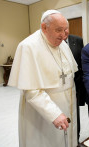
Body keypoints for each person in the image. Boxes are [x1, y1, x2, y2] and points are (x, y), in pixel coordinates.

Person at [8, 10, 78, 147]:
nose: (64, 35)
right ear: (44, 27)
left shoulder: (62, 44)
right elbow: (31, 91)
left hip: (68, 105)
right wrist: (54, 113)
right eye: (59, 30)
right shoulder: (28, 46)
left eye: (65, 30)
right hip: (43, 114)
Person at [65, 34, 86, 143]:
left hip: (75, 85)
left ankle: (75, 138)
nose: (64, 31)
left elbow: (81, 63)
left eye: (66, 28)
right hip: (60, 88)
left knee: (75, 113)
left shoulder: (77, 40)